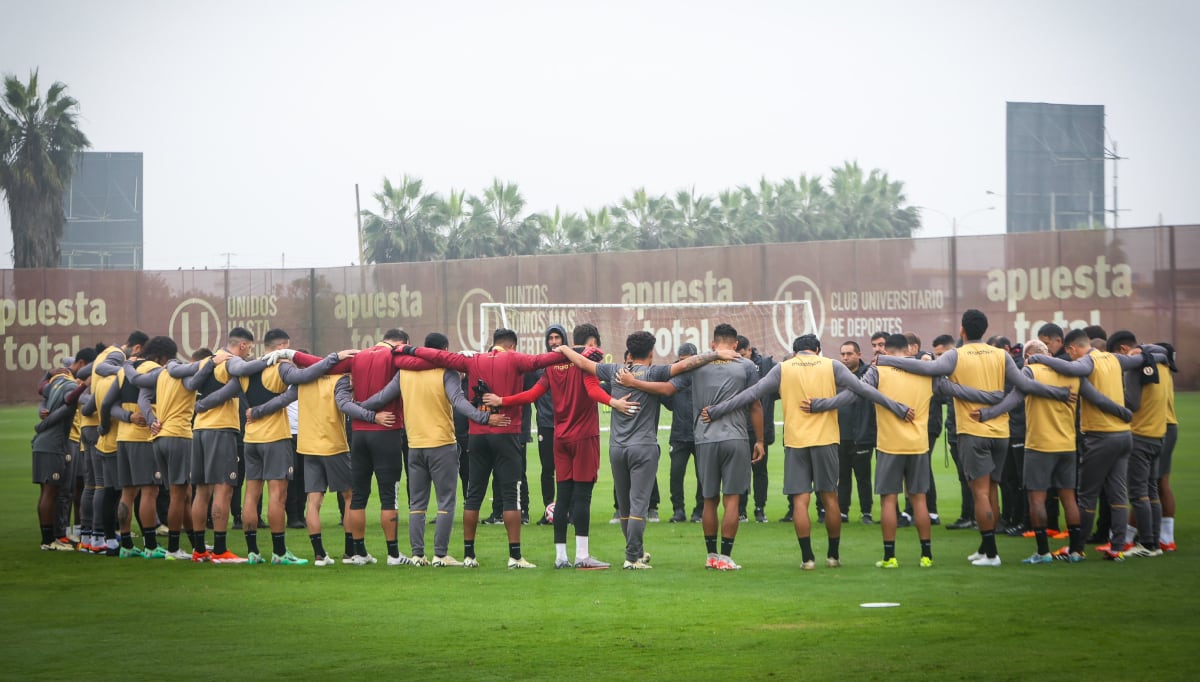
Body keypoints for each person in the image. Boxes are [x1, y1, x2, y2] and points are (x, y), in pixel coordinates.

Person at [876, 310, 1074, 567]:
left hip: (973, 429)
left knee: (980, 493)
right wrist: (1057, 392)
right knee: (991, 490)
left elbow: (930, 368)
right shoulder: (1001, 354)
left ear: (962, 331)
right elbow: (1023, 386)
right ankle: (985, 547)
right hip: (1001, 433)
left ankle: (991, 554)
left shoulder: (955, 355)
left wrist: (889, 361)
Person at [711, 334, 912, 570]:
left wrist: (717, 410)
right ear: (817, 349)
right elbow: (863, 389)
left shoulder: (783, 368)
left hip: (796, 442)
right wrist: (898, 408)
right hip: (826, 440)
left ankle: (807, 559)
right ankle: (833, 556)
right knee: (830, 498)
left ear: (796, 352)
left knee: (800, 501)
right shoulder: (831, 365)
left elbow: (751, 394)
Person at [815, 334, 998, 568]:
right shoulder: (925, 371)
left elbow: (854, 393)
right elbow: (956, 390)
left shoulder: (879, 370)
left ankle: (890, 557)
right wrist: (992, 398)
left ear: (887, 352)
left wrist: (820, 405)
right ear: (908, 350)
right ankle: (926, 556)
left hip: (889, 445)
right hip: (918, 445)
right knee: (919, 500)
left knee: (889, 501)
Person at [557, 331, 734, 569]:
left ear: (629, 352)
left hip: (617, 448)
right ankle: (631, 558)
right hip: (643, 448)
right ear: (651, 353)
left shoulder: (614, 371)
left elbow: (581, 362)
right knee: (639, 504)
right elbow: (688, 364)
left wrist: (562, 349)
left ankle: (637, 552)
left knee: (625, 507)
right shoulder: (654, 372)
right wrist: (715, 354)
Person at [398, 328, 562, 568]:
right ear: (512, 346)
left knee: (473, 495)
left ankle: (468, 555)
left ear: (493, 343)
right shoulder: (515, 358)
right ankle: (515, 556)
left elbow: (440, 357)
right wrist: (573, 351)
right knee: (510, 496)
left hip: (477, 435)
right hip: (506, 433)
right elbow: (542, 360)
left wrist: (408, 349)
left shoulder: (473, 360)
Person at [359, 332, 509, 566]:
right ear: (445, 349)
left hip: (414, 445)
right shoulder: (445, 371)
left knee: (417, 504)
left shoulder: (405, 372)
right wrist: (484, 418)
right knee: (445, 501)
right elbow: (459, 402)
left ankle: (418, 555)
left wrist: (355, 408)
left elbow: (381, 397)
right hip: (441, 444)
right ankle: (440, 555)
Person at [623, 323, 763, 571]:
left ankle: (711, 556)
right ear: (735, 345)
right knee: (732, 499)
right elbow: (755, 405)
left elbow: (667, 388)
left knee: (709, 499)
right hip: (736, 438)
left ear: (712, 344)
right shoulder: (746, 366)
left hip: (704, 439)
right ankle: (726, 557)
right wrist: (760, 441)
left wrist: (635, 383)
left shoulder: (698, 365)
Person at [482, 323, 622, 570]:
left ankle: (560, 557)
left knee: (563, 497)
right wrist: (614, 402)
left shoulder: (551, 367)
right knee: (583, 497)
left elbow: (531, 395)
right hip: (584, 437)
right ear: (589, 344)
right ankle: (582, 556)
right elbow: (592, 390)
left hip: (560, 437)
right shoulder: (585, 364)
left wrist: (502, 400)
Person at [973, 340, 1126, 563]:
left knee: (1037, 499)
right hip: (1067, 445)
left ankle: (1043, 552)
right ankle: (1075, 550)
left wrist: (987, 414)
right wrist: (1122, 412)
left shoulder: (1030, 370)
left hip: (1039, 445)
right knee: (1069, 497)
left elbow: (1012, 400)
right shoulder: (1072, 374)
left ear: (1028, 356)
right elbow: (1097, 398)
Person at [1027, 329, 1166, 561]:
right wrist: (1164, 355)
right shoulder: (1113, 358)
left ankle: (1077, 549)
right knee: (1118, 494)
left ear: (1072, 349)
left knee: (1087, 494)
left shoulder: (1087, 362)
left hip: (1101, 436)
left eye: (1069, 353)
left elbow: (1072, 370)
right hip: (1124, 436)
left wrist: (1040, 358)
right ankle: (1118, 547)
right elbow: (1142, 359)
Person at [226, 328, 309, 565]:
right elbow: (297, 387)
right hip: (275, 438)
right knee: (277, 495)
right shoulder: (280, 368)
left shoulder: (244, 369)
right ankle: (279, 552)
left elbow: (228, 393)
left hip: (251, 439)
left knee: (251, 494)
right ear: (282, 346)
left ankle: (253, 551)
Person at [122, 336, 202, 559]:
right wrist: (213, 361)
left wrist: (151, 419)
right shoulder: (181, 373)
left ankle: (197, 545)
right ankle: (173, 549)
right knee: (174, 494)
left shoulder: (158, 374)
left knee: (181, 493)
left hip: (155, 437)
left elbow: (139, 389)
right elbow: (199, 375)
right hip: (176, 436)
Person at [189, 328, 255, 564]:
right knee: (224, 489)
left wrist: (201, 405)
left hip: (199, 430)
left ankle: (198, 550)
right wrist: (205, 404)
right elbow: (235, 387)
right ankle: (219, 550)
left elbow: (192, 384)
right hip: (221, 430)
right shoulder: (232, 362)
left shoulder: (209, 361)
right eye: (251, 348)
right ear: (244, 345)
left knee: (202, 490)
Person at [1110, 332, 1168, 557]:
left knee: (1138, 493)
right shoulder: (1161, 363)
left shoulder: (1135, 366)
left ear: (1124, 350)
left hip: (1140, 435)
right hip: (1158, 434)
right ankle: (1153, 542)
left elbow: (1132, 403)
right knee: (1151, 490)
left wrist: (1111, 396)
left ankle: (1146, 543)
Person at [32, 366, 86, 550]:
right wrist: (83, 387)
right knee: (50, 492)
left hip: (43, 444)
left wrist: (47, 373)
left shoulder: (54, 385)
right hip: (52, 445)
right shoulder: (69, 387)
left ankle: (50, 538)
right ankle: (49, 540)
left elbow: (42, 390)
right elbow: (68, 403)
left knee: (48, 492)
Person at [736, 336, 775, 523]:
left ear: (750, 350)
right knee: (740, 471)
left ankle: (760, 509)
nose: (741, 358)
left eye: (743, 354)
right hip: (739, 428)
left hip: (760, 429)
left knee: (760, 471)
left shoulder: (767, 365)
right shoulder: (732, 368)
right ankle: (741, 510)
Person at [663, 343, 704, 524]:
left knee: (703, 475)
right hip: (679, 434)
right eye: (681, 362)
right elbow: (668, 401)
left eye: (687, 361)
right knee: (676, 474)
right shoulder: (673, 374)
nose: (684, 365)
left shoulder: (704, 374)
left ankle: (700, 511)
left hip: (701, 433)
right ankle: (678, 510)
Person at [835, 340, 873, 525]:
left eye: (849, 354)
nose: (845, 357)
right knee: (842, 476)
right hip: (840, 435)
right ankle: (842, 511)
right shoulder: (835, 376)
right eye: (842, 354)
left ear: (859, 354)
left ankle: (866, 512)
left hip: (862, 435)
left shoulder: (869, 374)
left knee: (863, 477)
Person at [1156, 343, 1179, 552]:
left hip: (1160, 428)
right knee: (1161, 482)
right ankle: (1165, 536)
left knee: (1148, 484)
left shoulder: (1156, 370)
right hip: (1168, 427)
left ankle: (1128, 534)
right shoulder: (1166, 371)